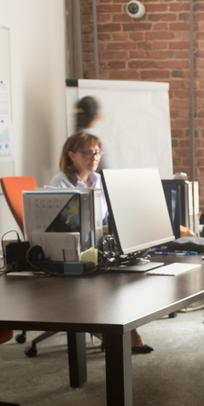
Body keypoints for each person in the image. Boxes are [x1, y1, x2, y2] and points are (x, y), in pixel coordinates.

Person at [48, 132, 153, 355]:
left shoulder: (98, 181)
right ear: (71, 155)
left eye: (96, 152)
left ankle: (121, 329)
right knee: (114, 277)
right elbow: (66, 226)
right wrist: (112, 229)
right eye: (87, 152)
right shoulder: (61, 183)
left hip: (98, 245)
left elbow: (105, 219)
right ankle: (119, 331)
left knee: (131, 269)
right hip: (73, 249)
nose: (93, 157)